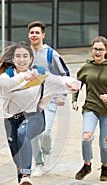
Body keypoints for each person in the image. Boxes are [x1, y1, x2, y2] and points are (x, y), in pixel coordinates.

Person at [0, 41, 80, 185]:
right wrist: (23, 76)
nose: (22, 60)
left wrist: (73, 83)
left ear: (31, 59)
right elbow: (8, 85)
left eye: (25, 56)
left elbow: (59, 80)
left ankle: (27, 175)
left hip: (35, 117)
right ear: (13, 60)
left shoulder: (39, 73)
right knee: (19, 160)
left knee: (23, 133)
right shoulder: (6, 76)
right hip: (11, 120)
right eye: (18, 56)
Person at [72, 36, 107, 181]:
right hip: (91, 107)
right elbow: (77, 85)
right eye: (95, 49)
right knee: (86, 137)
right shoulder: (86, 67)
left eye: (101, 49)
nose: (98, 52)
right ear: (91, 50)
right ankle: (87, 164)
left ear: (106, 51)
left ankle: (105, 167)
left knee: (104, 143)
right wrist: (74, 100)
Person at [28, 21, 71, 176]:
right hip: (31, 101)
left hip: (50, 100)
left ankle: (48, 153)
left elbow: (64, 74)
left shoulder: (51, 54)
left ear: (43, 35)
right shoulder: (25, 54)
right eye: (32, 32)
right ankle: (38, 164)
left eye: (37, 32)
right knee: (32, 133)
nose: (34, 35)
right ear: (28, 35)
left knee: (45, 132)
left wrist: (61, 95)